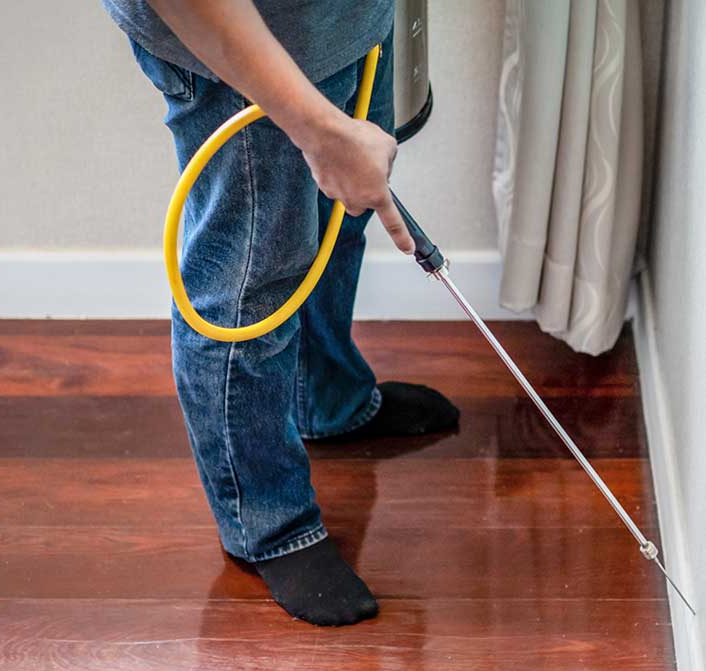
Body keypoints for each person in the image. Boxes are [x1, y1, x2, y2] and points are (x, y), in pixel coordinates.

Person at [103, 0, 459, 626]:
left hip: (347, 27)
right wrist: (319, 131)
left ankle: (328, 401)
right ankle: (266, 521)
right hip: (245, 59)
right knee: (250, 286)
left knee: (334, 228)